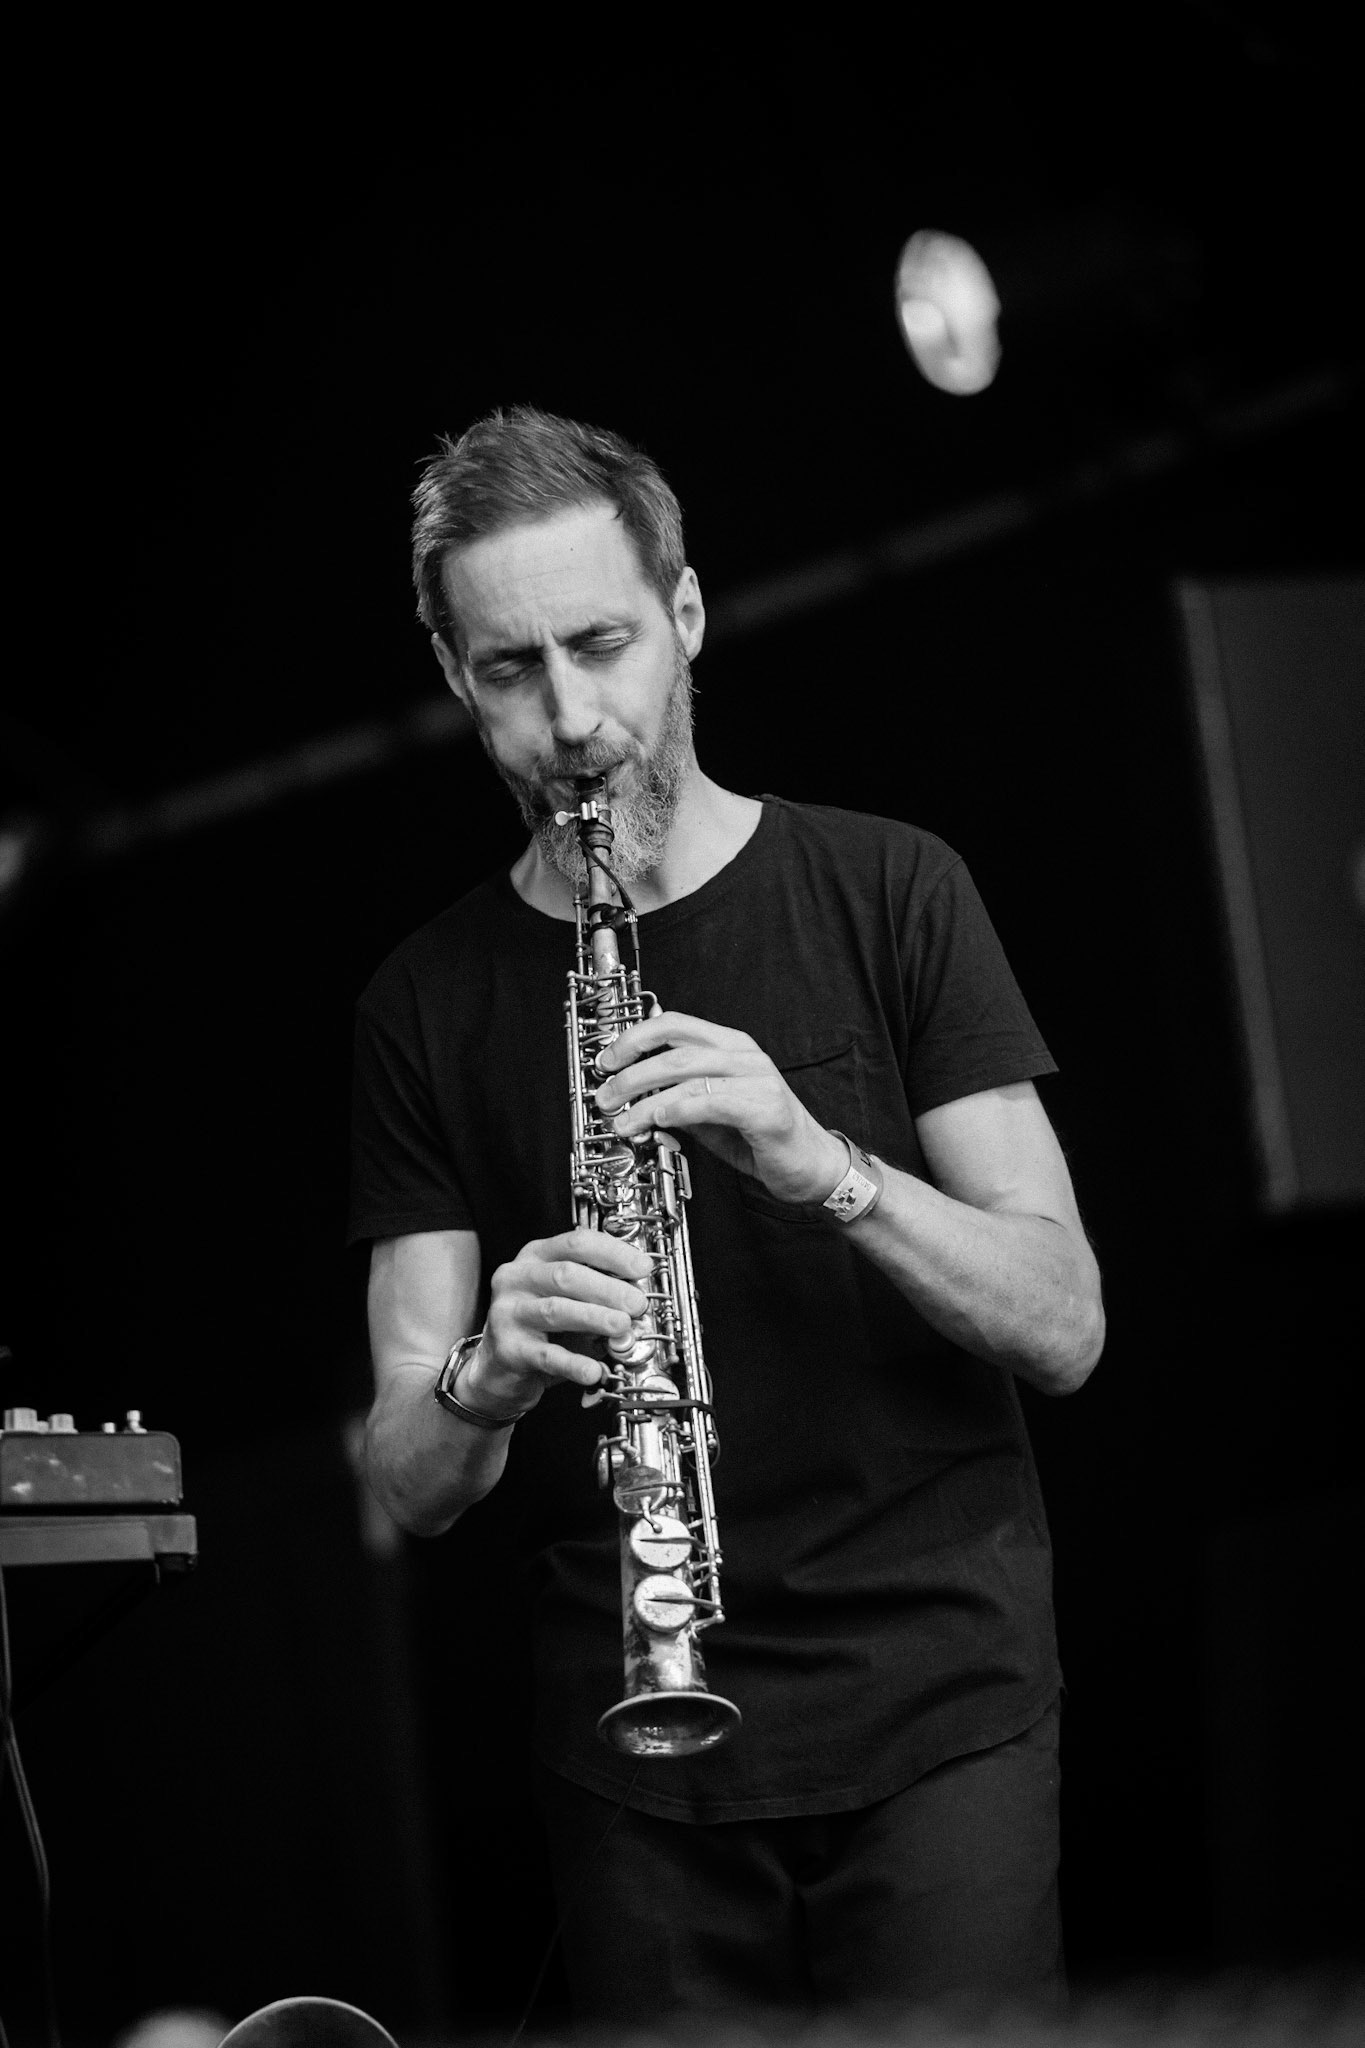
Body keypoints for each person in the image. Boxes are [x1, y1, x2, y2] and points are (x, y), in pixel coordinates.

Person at [349, 407, 1105, 2029]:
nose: (568, 719)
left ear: (686, 620)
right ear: (452, 675)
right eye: (507, 671)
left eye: (603, 645)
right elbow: (404, 1477)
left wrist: (811, 1156)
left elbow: (1064, 1323)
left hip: (937, 1712)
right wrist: (484, 1374)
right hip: (637, 1759)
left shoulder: (893, 889)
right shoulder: (420, 1006)